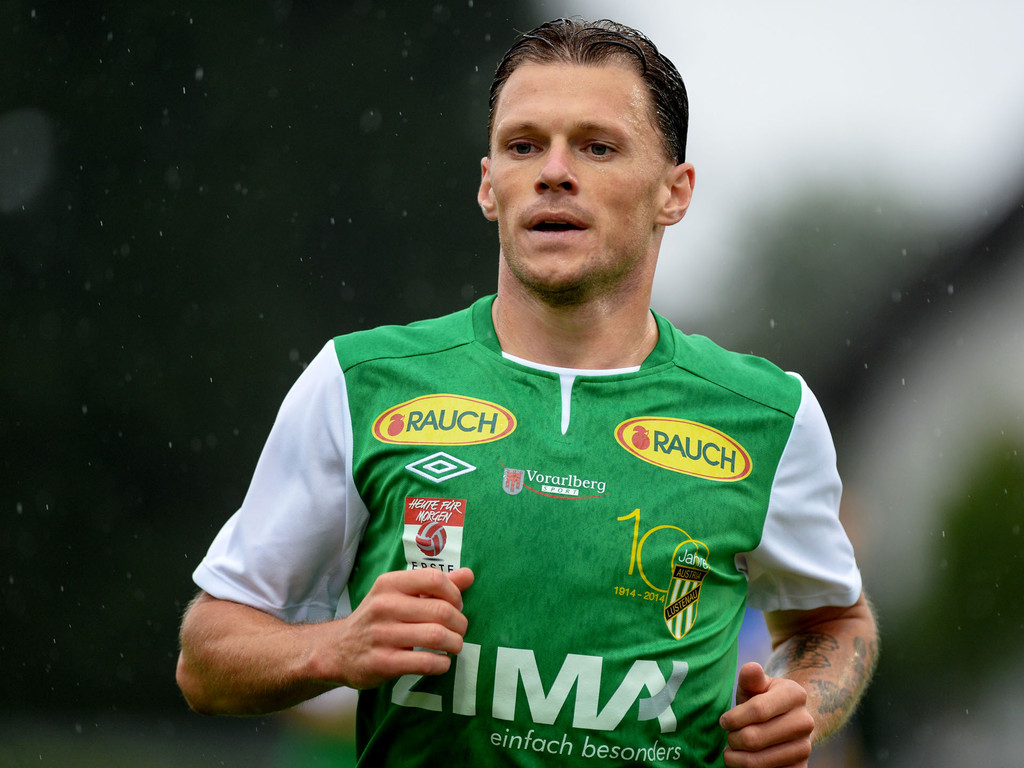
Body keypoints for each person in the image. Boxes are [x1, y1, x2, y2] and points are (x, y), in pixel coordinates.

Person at [176, 17, 877, 767]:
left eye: (597, 147)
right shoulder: (358, 382)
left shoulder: (770, 415)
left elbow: (834, 622)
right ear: (489, 186)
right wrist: (336, 648)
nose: (554, 172)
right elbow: (207, 658)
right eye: (524, 146)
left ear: (674, 193)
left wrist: (803, 703)